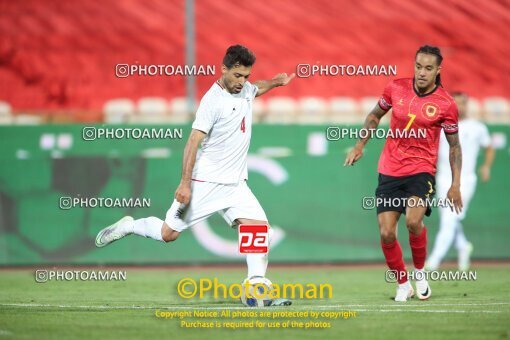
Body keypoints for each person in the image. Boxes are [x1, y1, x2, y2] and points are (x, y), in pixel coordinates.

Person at [95, 45, 295, 292]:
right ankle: (129, 226)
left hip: (235, 185)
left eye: (246, 76)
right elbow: (192, 142)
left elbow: (257, 89)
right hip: (206, 183)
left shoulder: (245, 90)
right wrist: (184, 183)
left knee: (260, 232)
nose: (242, 82)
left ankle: (255, 286)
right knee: (168, 234)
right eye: (237, 75)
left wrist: (276, 82)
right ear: (224, 69)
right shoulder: (213, 101)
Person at [344, 45, 463, 302]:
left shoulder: (446, 104)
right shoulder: (395, 88)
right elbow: (375, 115)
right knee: (386, 233)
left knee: (412, 221)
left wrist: (455, 185)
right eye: (418, 66)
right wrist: (359, 144)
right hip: (390, 169)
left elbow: (454, 146)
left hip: (421, 170)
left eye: (428, 68)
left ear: (438, 70)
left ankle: (420, 273)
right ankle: (402, 283)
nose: (422, 73)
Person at [427, 92, 494, 271]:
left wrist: (486, 166)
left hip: (465, 179)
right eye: (454, 103)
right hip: (442, 178)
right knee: (449, 219)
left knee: (449, 218)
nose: (458, 107)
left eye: (461, 103)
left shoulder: (477, 128)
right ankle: (463, 246)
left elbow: (489, 147)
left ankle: (433, 261)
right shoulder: (439, 126)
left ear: (467, 105)